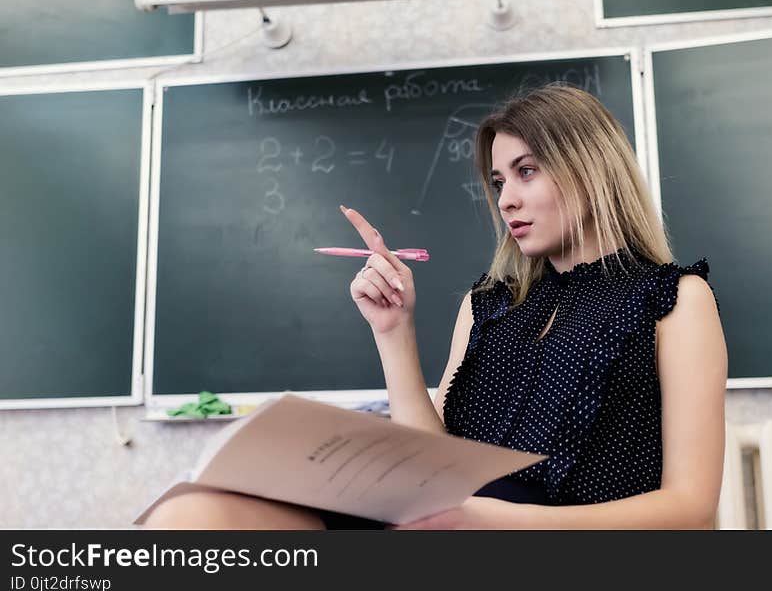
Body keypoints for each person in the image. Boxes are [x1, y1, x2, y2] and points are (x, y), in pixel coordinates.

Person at [144, 83, 727, 530]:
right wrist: (394, 331)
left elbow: (692, 505)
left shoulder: (674, 299)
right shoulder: (490, 304)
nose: (508, 199)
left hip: (541, 534)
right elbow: (431, 462)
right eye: (498, 181)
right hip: (440, 523)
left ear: (590, 168)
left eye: (526, 172)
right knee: (193, 517)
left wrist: (502, 522)